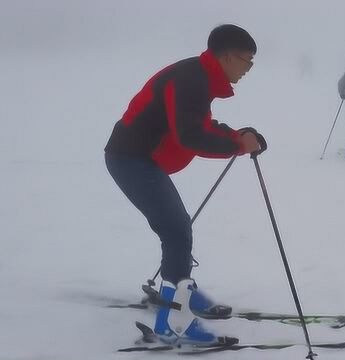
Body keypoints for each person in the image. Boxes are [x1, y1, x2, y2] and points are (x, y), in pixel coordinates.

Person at [104, 24, 266, 345]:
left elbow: (198, 124)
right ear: (227, 56)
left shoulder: (198, 76)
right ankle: (172, 321)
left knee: (177, 228)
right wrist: (237, 144)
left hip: (139, 158)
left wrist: (237, 136)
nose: (249, 69)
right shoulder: (192, 79)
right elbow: (190, 135)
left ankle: (182, 292)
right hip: (130, 158)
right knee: (176, 229)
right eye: (247, 61)